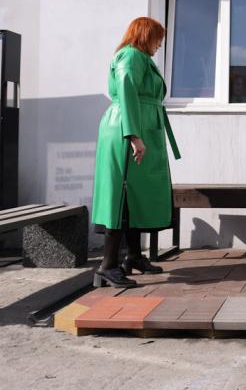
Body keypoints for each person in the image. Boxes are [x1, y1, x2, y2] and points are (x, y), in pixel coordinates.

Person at [91, 17, 181, 288]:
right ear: (145, 35)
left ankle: (133, 256)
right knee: (119, 196)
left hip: (139, 127)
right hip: (127, 130)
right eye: (158, 38)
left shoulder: (139, 58)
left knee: (135, 196)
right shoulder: (130, 56)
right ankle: (108, 266)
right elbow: (127, 90)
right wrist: (133, 136)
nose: (160, 44)